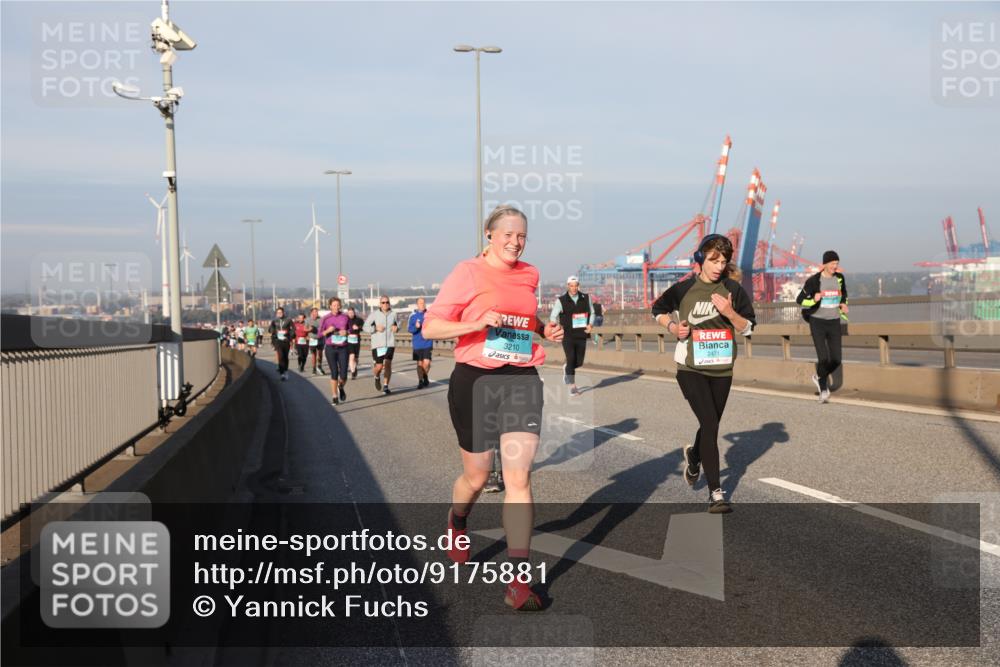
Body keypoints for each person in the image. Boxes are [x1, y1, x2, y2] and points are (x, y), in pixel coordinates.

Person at [422, 204, 564, 611]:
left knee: (519, 477)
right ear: (489, 234)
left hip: (521, 377)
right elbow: (432, 326)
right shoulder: (467, 272)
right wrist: (474, 323)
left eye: (522, 236)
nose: (516, 243)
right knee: (478, 475)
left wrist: (542, 328)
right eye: (508, 235)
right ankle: (458, 520)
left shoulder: (530, 273)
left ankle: (518, 581)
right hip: (475, 380)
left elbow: (523, 315)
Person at [651, 234, 756, 514]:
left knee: (710, 425)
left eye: (723, 261)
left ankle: (695, 455)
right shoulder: (684, 289)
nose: (719, 266)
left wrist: (730, 313)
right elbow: (657, 309)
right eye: (713, 260)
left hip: (722, 370)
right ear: (700, 260)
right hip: (691, 368)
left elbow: (748, 328)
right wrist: (674, 328)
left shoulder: (733, 290)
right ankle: (716, 492)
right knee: (710, 424)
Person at [796, 250, 848, 404]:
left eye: (837, 263)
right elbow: (800, 300)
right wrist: (813, 299)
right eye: (832, 263)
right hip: (817, 322)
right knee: (823, 358)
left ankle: (818, 377)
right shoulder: (814, 281)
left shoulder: (839, 278)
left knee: (837, 359)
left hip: (834, 322)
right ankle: (823, 390)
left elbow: (843, 294)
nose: (835, 266)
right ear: (825, 264)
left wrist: (844, 304)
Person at [549, 276, 594, 396]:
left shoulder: (586, 298)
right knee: (571, 359)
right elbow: (553, 316)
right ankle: (573, 387)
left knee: (579, 362)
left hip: (581, 334)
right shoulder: (561, 300)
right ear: (568, 286)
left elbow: (592, 313)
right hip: (567, 335)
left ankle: (567, 368)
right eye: (571, 285)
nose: (574, 288)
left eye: (576, 285)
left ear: (578, 285)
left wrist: (590, 324)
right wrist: (555, 324)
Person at [319, 298, 350, 405]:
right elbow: (319, 334)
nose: (336, 307)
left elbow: (350, 330)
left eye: (338, 305)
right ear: (330, 306)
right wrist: (328, 331)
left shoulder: (345, 317)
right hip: (331, 348)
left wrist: (346, 332)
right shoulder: (325, 318)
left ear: (340, 306)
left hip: (343, 348)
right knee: (334, 373)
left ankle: (341, 386)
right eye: (334, 305)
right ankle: (334, 396)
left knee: (344, 375)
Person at [365, 296, 397, 395]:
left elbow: (397, 324)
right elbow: (365, 327)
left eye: (387, 302)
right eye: (383, 302)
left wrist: (397, 327)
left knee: (388, 364)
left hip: (390, 343)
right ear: (380, 304)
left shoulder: (394, 314)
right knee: (379, 367)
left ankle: (386, 386)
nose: (385, 304)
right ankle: (377, 377)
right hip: (378, 345)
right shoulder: (374, 314)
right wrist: (375, 328)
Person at [408, 297, 434, 388]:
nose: (422, 305)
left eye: (423, 303)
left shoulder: (429, 314)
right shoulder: (413, 316)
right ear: (417, 304)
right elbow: (410, 329)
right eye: (420, 303)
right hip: (417, 344)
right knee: (419, 364)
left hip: (428, 342)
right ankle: (420, 381)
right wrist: (416, 327)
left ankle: (425, 375)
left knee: (427, 363)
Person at [268, 307, 296, 381]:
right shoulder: (274, 321)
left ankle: (286, 370)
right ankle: (282, 373)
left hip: (286, 340)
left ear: (283, 313)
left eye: (281, 312)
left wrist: (289, 334)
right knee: (280, 356)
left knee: (285, 357)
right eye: (278, 313)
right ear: (276, 313)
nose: (279, 314)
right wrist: (274, 331)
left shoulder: (289, 320)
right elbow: (270, 329)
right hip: (278, 341)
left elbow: (293, 329)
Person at [345, 307, 365, 380]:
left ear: (354, 313)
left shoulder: (359, 320)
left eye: (352, 313)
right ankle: (353, 372)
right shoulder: (345, 320)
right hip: (349, 340)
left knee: (356, 358)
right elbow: (343, 328)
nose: (351, 314)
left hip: (357, 340)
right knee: (351, 356)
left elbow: (364, 327)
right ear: (347, 313)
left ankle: (355, 367)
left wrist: (358, 328)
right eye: (349, 313)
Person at [305, 307, 325, 375]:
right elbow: (305, 329)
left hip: (320, 339)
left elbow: (324, 327)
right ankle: (314, 368)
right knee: (313, 354)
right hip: (312, 339)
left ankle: (319, 366)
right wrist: (309, 330)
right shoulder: (307, 320)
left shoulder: (321, 319)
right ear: (311, 313)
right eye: (314, 312)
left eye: (316, 312)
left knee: (320, 353)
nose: (315, 313)